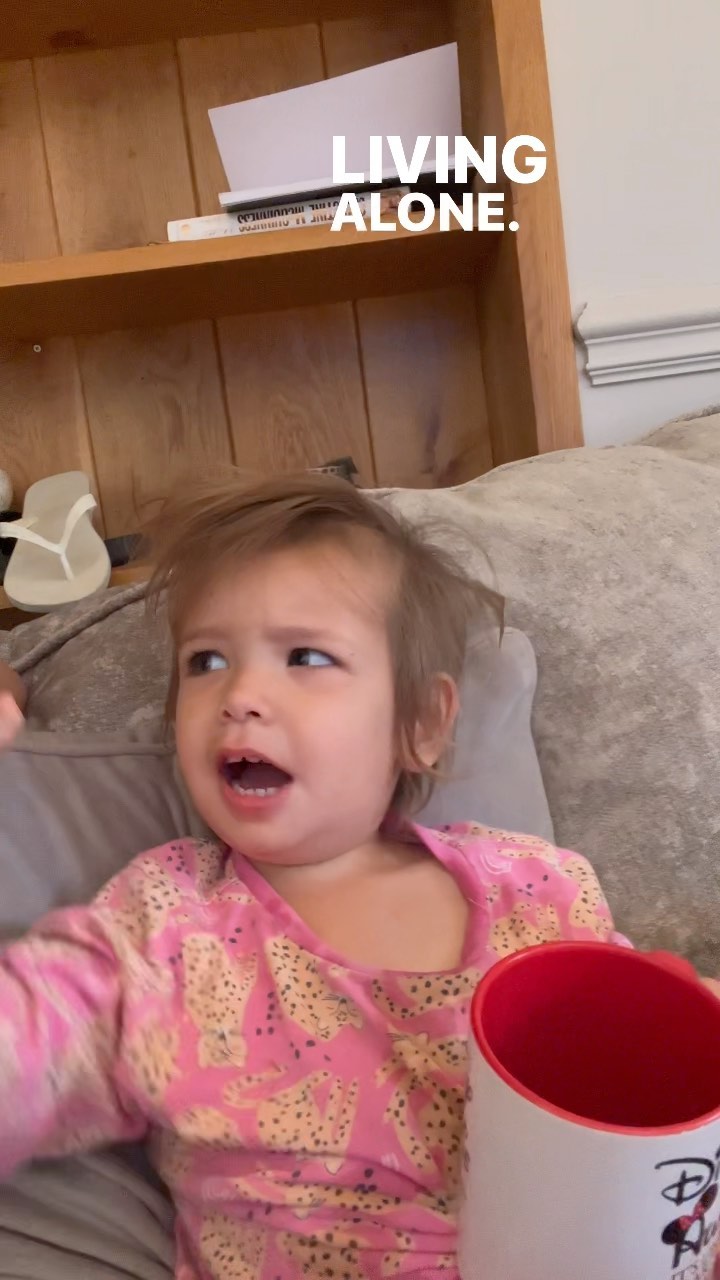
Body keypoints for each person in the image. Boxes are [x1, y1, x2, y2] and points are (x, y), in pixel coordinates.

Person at [0, 474, 669, 1278]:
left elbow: (657, 1099)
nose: (240, 695)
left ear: (420, 723)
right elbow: (27, 1040)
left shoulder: (536, 891)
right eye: (206, 661)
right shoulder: (169, 927)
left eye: (306, 656)